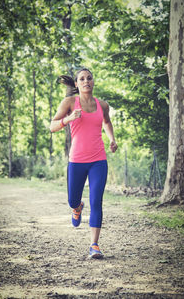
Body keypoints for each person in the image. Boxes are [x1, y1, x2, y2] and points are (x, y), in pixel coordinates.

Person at [50, 68, 118, 259]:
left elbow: (107, 122)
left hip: (98, 160)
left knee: (96, 201)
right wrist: (68, 119)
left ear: (93, 81)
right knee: (72, 199)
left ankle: (94, 245)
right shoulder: (70, 102)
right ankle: (77, 207)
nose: (86, 81)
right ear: (77, 83)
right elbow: (52, 125)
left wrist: (112, 139)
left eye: (89, 78)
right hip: (77, 161)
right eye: (82, 78)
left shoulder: (102, 105)